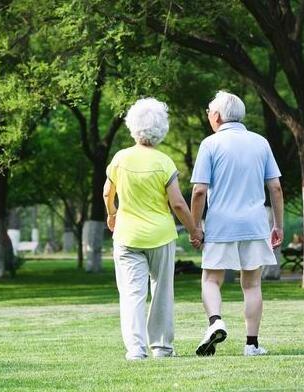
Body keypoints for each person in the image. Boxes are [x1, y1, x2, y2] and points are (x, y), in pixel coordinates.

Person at [190, 91, 284, 357]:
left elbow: (199, 191)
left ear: (217, 116)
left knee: (211, 279)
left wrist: (195, 227)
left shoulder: (210, 144)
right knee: (252, 284)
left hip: (221, 225)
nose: (209, 115)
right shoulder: (260, 142)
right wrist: (278, 225)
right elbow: (275, 187)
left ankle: (215, 321)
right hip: (254, 224)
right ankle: (252, 344)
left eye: (209, 111)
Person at [103, 97, 197, 360]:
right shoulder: (164, 162)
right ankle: (162, 348)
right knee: (162, 291)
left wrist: (112, 214)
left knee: (132, 293)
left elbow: (107, 192)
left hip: (126, 236)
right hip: (160, 235)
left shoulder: (120, 159)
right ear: (161, 129)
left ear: (132, 126)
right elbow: (178, 203)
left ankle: (135, 349)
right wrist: (193, 231)